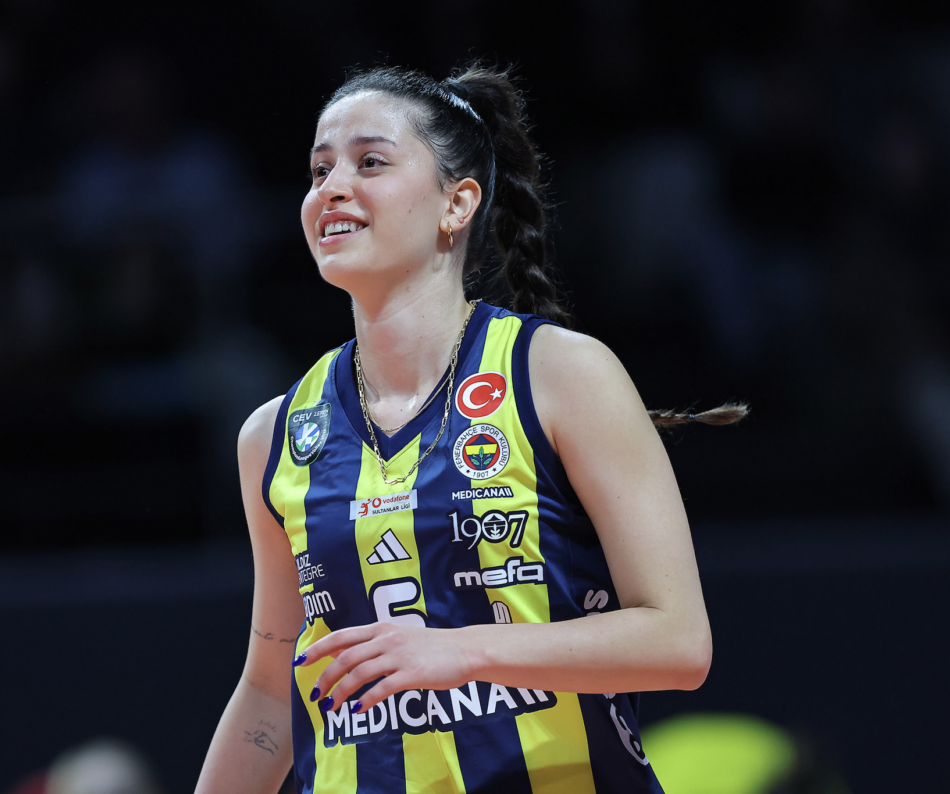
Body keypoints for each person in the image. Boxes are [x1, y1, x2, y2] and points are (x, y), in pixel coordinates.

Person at [195, 64, 744, 794]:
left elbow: (678, 642)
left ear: (456, 204)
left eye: (370, 163)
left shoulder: (561, 374)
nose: (331, 188)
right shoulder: (274, 436)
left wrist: (464, 651)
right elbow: (270, 690)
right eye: (319, 170)